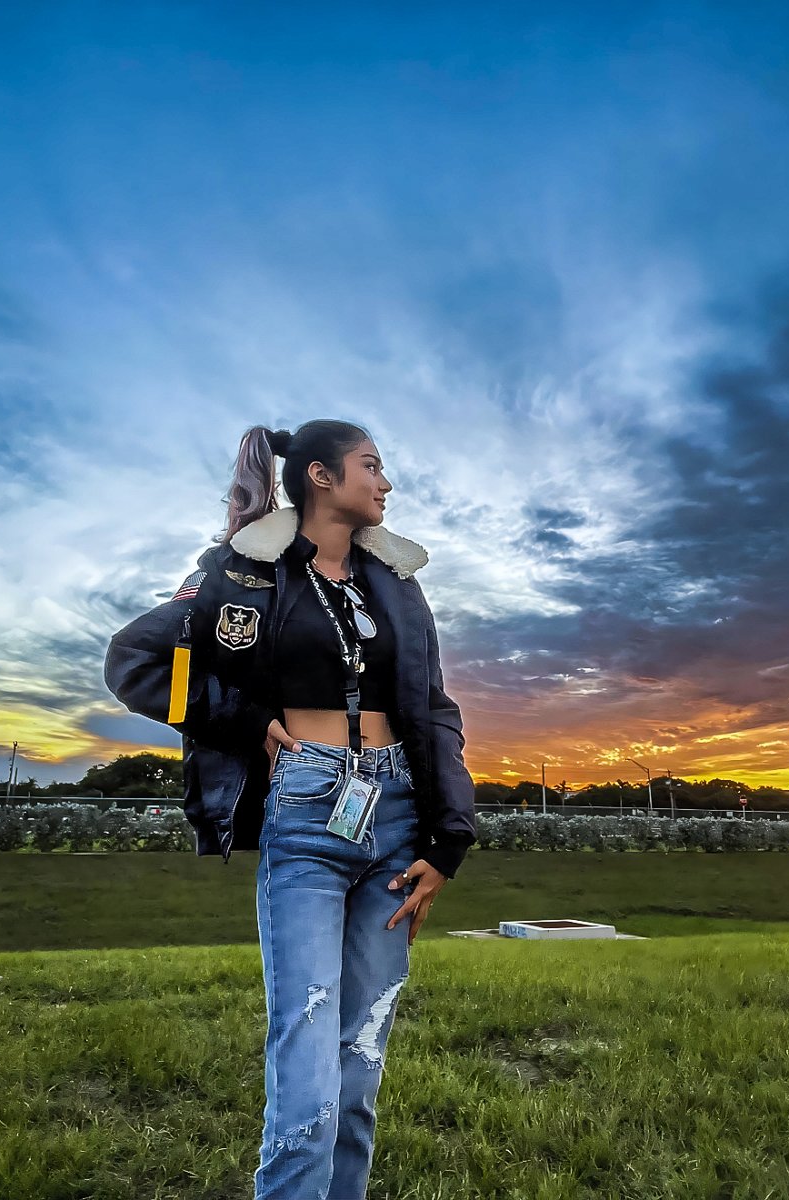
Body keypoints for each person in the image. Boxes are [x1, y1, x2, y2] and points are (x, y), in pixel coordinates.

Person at [104, 419, 477, 1200]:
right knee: (307, 1064)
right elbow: (133, 659)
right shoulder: (241, 571)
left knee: (360, 1061)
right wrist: (238, 722)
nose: (386, 483)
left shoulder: (399, 587)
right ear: (319, 476)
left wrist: (450, 839)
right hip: (305, 812)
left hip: (397, 812)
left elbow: (434, 709)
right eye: (371, 465)